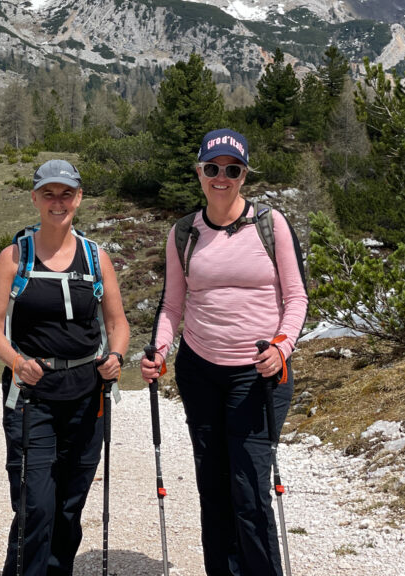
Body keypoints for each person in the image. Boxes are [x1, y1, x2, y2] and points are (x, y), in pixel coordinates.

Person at [141, 128, 308, 576]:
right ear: (199, 171)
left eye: (232, 170)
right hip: (200, 372)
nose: (221, 177)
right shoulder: (184, 233)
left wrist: (281, 347)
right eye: (212, 168)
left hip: (258, 375)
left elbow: (297, 299)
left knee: (250, 488)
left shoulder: (271, 225)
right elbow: (172, 304)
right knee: (213, 489)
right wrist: (158, 350)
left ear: (244, 175)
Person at [0, 158, 130, 576]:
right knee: (35, 506)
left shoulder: (95, 257)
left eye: (66, 193)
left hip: (87, 396)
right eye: (49, 193)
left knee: (69, 506)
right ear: (35, 198)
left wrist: (116, 356)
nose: (58, 202)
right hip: (31, 397)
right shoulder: (15, 257)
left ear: (79, 198)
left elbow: (117, 323)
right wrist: (16, 361)